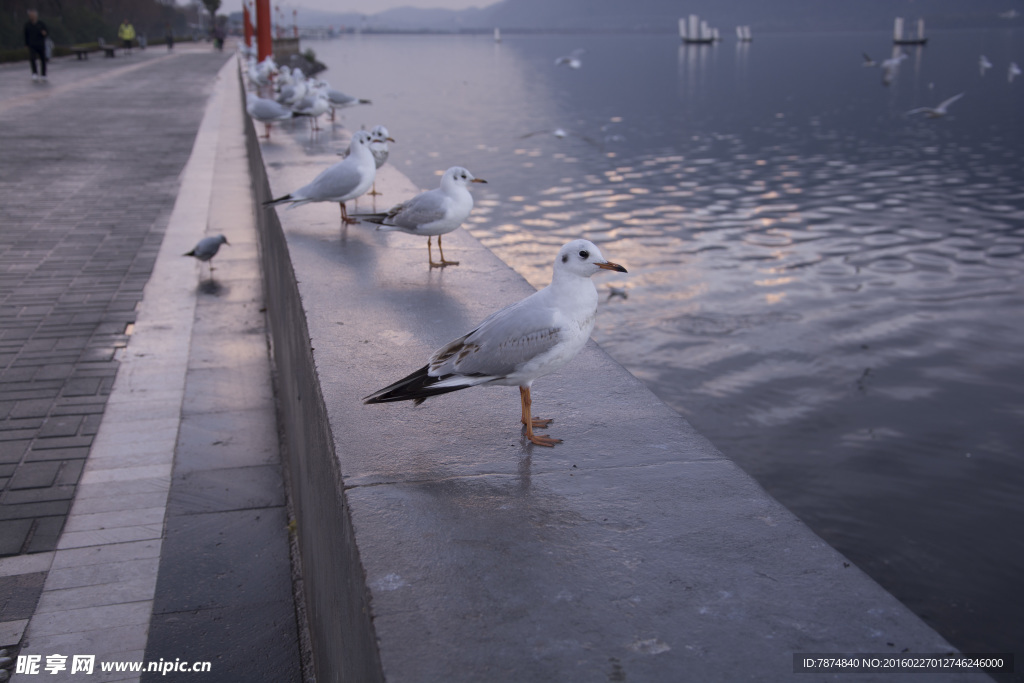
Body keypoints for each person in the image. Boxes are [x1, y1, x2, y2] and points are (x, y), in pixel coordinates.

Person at [24, 9, 48, 82]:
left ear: (36, 16)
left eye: (32, 15)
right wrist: (26, 44)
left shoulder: (41, 24)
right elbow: (25, 35)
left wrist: (44, 33)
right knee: (32, 59)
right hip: (32, 45)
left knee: (43, 60)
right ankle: (34, 73)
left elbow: (46, 33)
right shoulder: (27, 25)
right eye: (30, 15)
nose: (31, 17)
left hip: (40, 44)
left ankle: (43, 74)